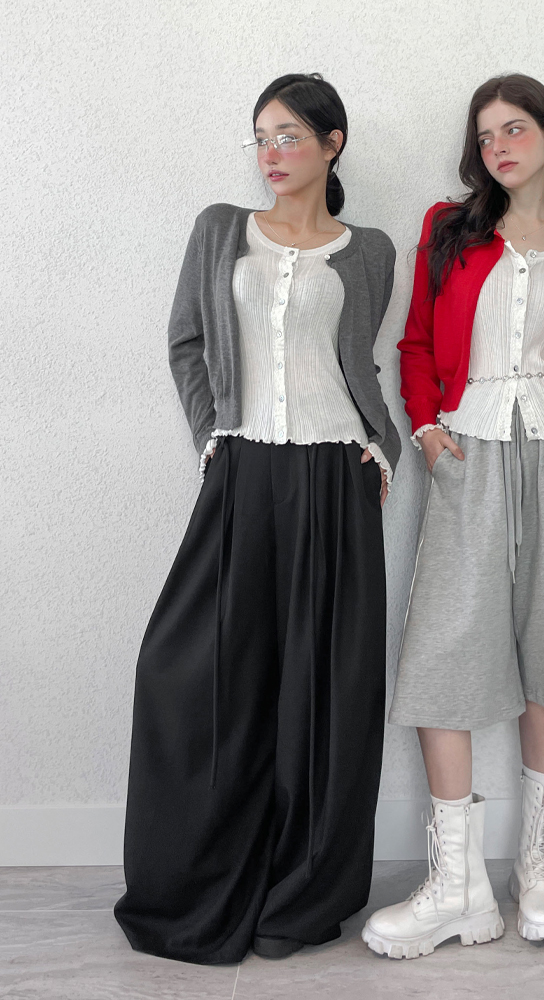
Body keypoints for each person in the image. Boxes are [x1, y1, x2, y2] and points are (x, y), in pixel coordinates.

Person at [362, 73, 544, 960]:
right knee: (443, 654)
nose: (498, 147)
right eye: (485, 136)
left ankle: (536, 868)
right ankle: (457, 888)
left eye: (515, 128)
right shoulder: (447, 229)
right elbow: (416, 343)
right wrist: (425, 431)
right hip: (468, 448)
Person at [114, 72, 400, 965]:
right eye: (261, 137)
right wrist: (213, 435)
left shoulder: (370, 249)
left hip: (337, 473)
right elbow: (187, 342)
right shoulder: (219, 230)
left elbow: (357, 363)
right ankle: (198, 877)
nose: (270, 153)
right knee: (191, 672)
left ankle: (301, 895)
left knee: (326, 691)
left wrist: (382, 448)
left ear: (331, 144)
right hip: (241, 470)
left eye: (288, 136)